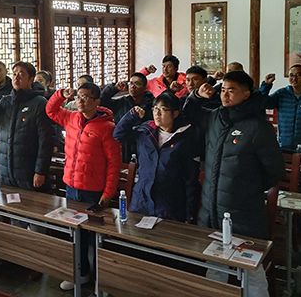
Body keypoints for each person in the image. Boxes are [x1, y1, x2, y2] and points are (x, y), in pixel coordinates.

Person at [183, 71, 284, 297]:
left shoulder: (258, 126)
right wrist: (196, 96)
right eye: (223, 90)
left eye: (232, 90)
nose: (225, 95)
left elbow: (274, 170)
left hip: (244, 211)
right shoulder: (215, 117)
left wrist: (247, 187)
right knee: (214, 263)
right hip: (211, 207)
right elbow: (188, 114)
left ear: (246, 94)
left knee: (250, 268)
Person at [46, 82, 121, 291]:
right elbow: (50, 110)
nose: (80, 100)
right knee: (75, 232)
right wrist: (61, 95)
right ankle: (80, 274)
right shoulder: (71, 118)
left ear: (97, 101)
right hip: (71, 187)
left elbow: (114, 164)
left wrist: (108, 193)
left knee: (93, 238)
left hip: (93, 191)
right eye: (79, 96)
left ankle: (99, 281)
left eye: (86, 97)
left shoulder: (107, 128)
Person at [113, 92, 200, 223]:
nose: (157, 114)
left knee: (164, 234)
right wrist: (131, 116)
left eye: (163, 109)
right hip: (141, 199)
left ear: (175, 113)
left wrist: (190, 214)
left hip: (169, 204)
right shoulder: (146, 131)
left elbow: (190, 180)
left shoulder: (185, 139)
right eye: (155, 109)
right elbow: (118, 134)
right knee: (135, 233)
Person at [0, 61, 53, 191]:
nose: (16, 77)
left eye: (21, 74)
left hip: (28, 170)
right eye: (14, 74)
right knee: (6, 200)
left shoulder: (39, 103)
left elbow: (45, 141)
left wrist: (40, 171)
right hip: (6, 170)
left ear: (31, 79)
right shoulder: (6, 101)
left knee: (30, 202)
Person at [100, 72, 154, 162]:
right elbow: (101, 102)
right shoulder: (122, 102)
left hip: (144, 147)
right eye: (131, 83)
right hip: (123, 147)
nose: (133, 86)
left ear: (145, 88)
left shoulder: (151, 104)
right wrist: (114, 88)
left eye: (137, 84)